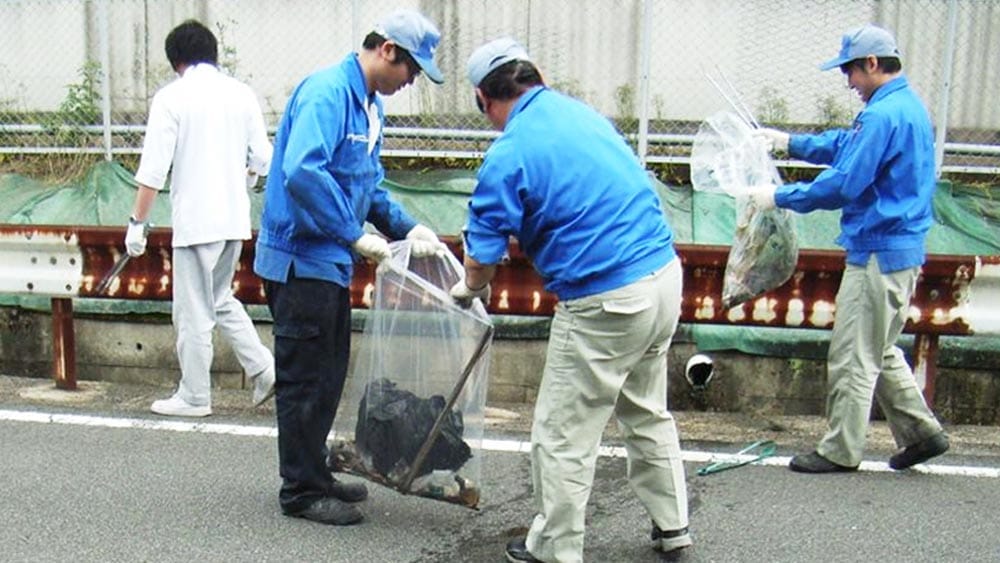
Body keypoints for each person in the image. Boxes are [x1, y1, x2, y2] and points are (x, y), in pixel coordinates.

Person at [451, 38, 691, 562]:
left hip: (605, 299)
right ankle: (673, 526)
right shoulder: (582, 116)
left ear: (482, 98)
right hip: (663, 277)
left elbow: (481, 256)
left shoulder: (510, 151)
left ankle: (556, 547)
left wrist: (470, 288)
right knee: (647, 411)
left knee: (563, 432)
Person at [254, 9, 447, 526]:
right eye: (411, 69)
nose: (410, 81)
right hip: (301, 258)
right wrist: (354, 233)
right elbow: (302, 171)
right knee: (304, 378)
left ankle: (314, 472)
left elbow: (367, 183)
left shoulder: (366, 106)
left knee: (328, 374)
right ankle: (298, 490)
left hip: (330, 259)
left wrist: (408, 228)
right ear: (387, 50)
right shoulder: (328, 93)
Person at [749, 23, 949, 473]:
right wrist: (790, 142)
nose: (849, 83)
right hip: (901, 249)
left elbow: (845, 181)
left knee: (853, 354)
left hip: (878, 249)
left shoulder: (882, 115)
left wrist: (779, 197)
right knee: (877, 347)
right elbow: (848, 146)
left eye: (851, 72)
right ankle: (923, 434)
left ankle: (841, 449)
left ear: (873, 64)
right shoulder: (905, 107)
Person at [126, 19, 275, 418]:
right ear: (212, 54)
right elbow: (263, 158)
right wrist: (247, 177)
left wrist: (137, 224)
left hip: (195, 222)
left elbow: (153, 170)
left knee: (192, 311)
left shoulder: (172, 98)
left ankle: (194, 395)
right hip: (233, 220)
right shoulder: (242, 95)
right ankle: (264, 368)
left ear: (177, 61)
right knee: (219, 298)